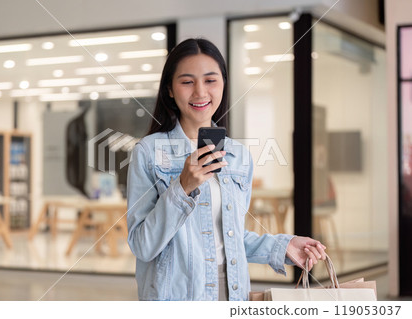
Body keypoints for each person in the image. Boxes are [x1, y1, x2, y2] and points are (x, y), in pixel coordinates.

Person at [126, 38, 327, 301]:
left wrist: (283, 246)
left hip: (232, 293)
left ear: (223, 85)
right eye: (187, 82)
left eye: (210, 80)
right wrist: (182, 188)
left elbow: (232, 237)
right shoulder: (148, 152)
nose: (200, 92)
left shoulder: (238, 156)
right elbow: (143, 245)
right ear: (170, 90)